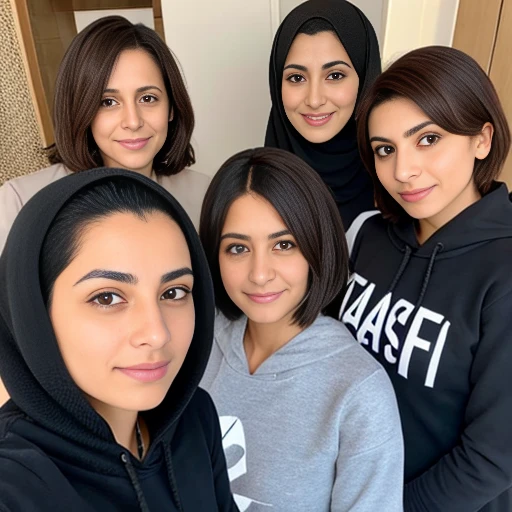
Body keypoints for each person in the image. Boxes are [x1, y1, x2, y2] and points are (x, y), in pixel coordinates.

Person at [0, 168, 237, 511]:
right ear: (34, 314)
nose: (157, 333)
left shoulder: (194, 419)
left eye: (173, 292)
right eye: (107, 298)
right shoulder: (14, 488)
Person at [342, 46, 512, 511]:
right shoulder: (371, 237)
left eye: (428, 139)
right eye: (385, 149)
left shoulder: (503, 271)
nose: (404, 170)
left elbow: (492, 457)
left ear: (482, 138)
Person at [199, 147, 404, 512]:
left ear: (316, 247)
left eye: (283, 245)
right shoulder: (195, 343)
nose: (260, 274)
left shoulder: (358, 391)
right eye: (237, 248)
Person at [0, 14, 209, 252]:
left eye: (148, 98)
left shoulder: (205, 196)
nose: (133, 121)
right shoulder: (20, 202)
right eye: (108, 102)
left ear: (172, 107)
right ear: (81, 110)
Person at [265, 0, 380, 230]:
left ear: (365, 79)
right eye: (297, 78)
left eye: (335, 75)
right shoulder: (255, 190)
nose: (314, 100)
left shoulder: (404, 181)